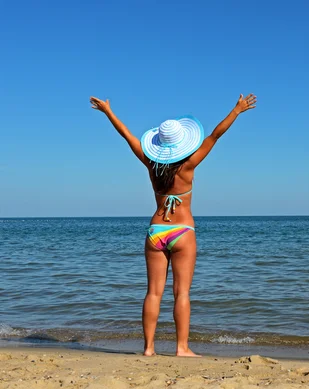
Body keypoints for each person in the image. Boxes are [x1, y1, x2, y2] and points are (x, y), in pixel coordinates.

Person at [90, 94, 257, 356]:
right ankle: (181, 348)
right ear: (183, 144)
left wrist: (108, 112)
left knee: (153, 293)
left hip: (155, 231)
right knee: (181, 293)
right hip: (182, 231)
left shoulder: (150, 164)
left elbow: (127, 136)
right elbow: (215, 135)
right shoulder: (189, 165)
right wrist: (237, 110)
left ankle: (148, 348)